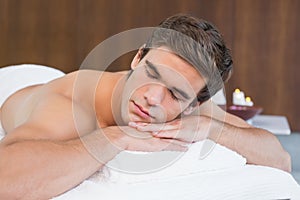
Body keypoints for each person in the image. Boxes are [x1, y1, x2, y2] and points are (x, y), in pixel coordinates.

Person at [0, 14, 290, 199]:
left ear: (194, 103)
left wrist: (211, 127)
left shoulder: (191, 105)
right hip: (16, 84)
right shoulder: (70, 105)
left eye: (175, 94)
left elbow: (280, 159)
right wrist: (114, 136)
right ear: (138, 58)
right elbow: (5, 180)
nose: (153, 97)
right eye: (152, 73)